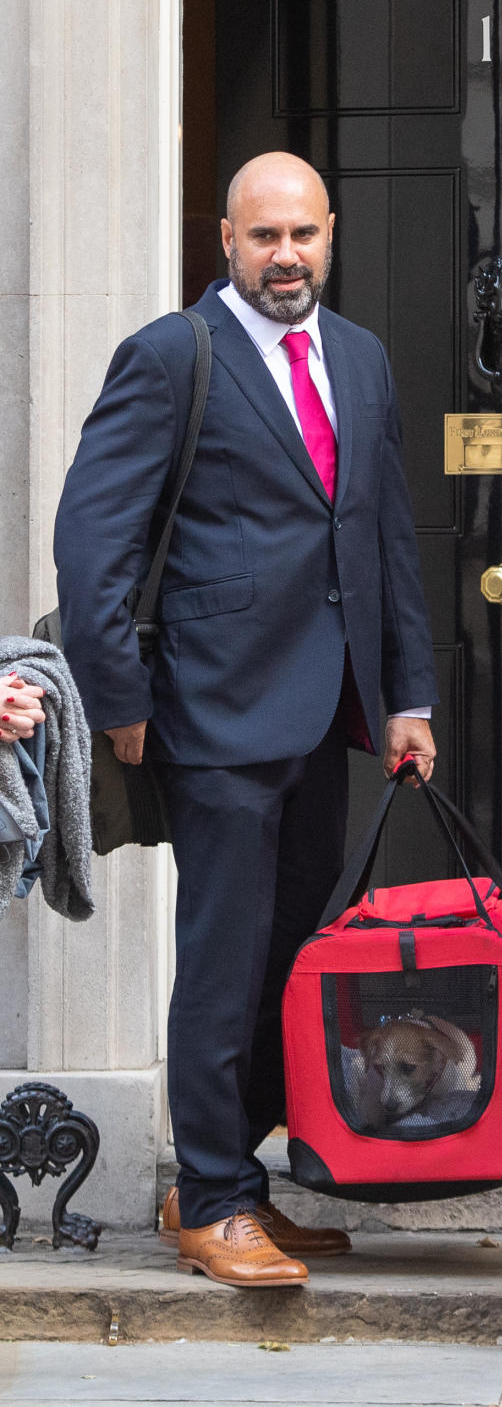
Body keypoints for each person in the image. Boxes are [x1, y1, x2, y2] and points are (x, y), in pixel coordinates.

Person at [54, 153, 438, 1288]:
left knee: (289, 953)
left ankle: (232, 1175)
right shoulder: (174, 355)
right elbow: (94, 540)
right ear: (225, 238)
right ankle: (212, 1198)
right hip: (214, 708)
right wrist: (120, 697)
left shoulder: (360, 357)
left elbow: (383, 537)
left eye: (304, 235)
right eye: (263, 236)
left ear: (331, 234)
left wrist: (404, 695)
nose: (286, 256)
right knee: (223, 960)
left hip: (328, 711)